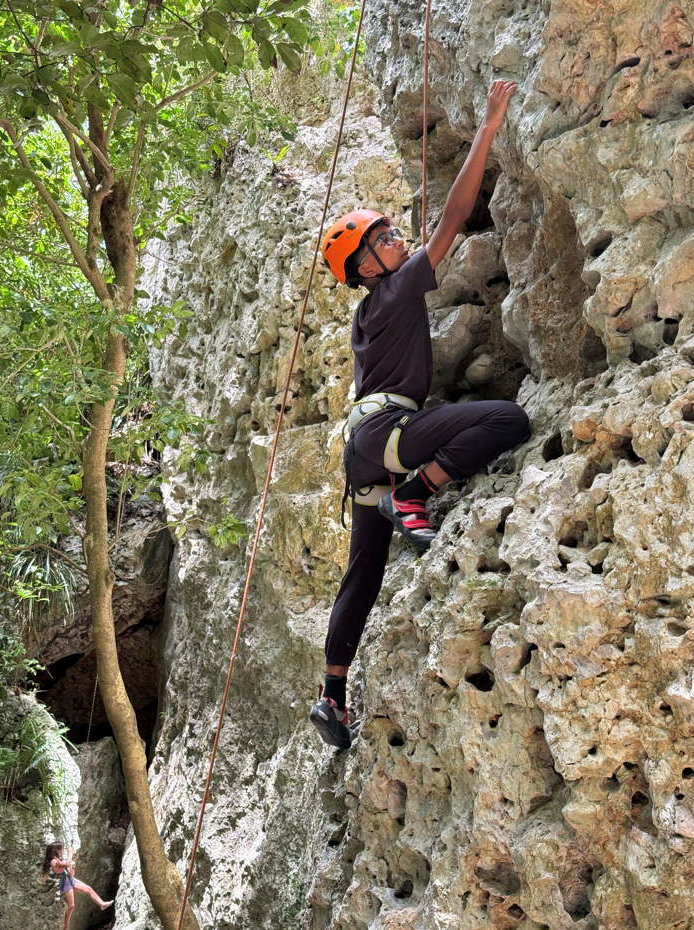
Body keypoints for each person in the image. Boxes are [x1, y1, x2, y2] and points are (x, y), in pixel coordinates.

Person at [310, 80, 530, 749]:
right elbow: (453, 221)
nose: (397, 240)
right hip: (386, 434)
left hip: (361, 443)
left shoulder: (368, 310)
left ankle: (331, 694)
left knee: (364, 571)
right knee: (507, 421)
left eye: (391, 230)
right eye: (382, 238)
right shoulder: (396, 287)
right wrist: (488, 128)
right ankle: (415, 493)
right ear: (366, 266)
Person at [41, 841, 114, 928]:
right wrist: (70, 853)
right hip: (66, 884)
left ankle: (102, 904)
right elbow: (67, 864)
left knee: (88, 889)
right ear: (56, 851)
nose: (63, 851)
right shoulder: (53, 861)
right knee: (71, 906)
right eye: (61, 850)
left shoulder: (58, 859)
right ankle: (66, 927)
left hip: (71, 880)